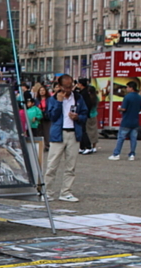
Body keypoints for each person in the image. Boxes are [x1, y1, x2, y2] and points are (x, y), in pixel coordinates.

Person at [45, 74, 88, 203]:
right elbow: (51, 116)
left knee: (71, 166)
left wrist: (78, 117)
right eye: (66, 87)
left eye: (71, 86)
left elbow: (85, 114)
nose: (68, 89)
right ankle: (48, 192)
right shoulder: (53, 99)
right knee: (52, 165)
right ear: (60, 86)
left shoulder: (78, 98)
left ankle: (66, 191)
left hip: (74, 133)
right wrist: (59, 102)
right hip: (58, 134)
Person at [109, 81, 141, 161]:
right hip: (135, 121)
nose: (127, 89)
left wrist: (119, 109)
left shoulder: (127, 97)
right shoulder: (139, 97)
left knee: (121, 138)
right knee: (133, 139)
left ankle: (116, 154)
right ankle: (132, 154)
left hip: (126, 120)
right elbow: (140, 109)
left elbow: (124, 108)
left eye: (127, 87)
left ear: (131, 88)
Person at [77, 78, 94, 155]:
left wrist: (85, 113)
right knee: (81, 130)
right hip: (84, 114)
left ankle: (88, 146)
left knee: (83, 131)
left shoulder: (83, 93)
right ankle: (82, 146)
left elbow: (87, 104)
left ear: (81, 84)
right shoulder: (85, 92)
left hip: (83, 114)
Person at [36, 85, 51, 150]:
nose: (42, 92)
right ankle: (41, 145)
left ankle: (48, 145)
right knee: (40, 131)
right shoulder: (37, 100)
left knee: (47, 131)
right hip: (39, 117)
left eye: (43, 90)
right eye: (40, 91)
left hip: (46, 117)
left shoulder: (49, 99)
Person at [86, 86, 99, 153]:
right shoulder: (96, 98)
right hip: (94, 115)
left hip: (88, 116)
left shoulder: (87, 98)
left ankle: (88, 145)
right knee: (94, 131)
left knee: (87, 131)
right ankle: (94, 146)